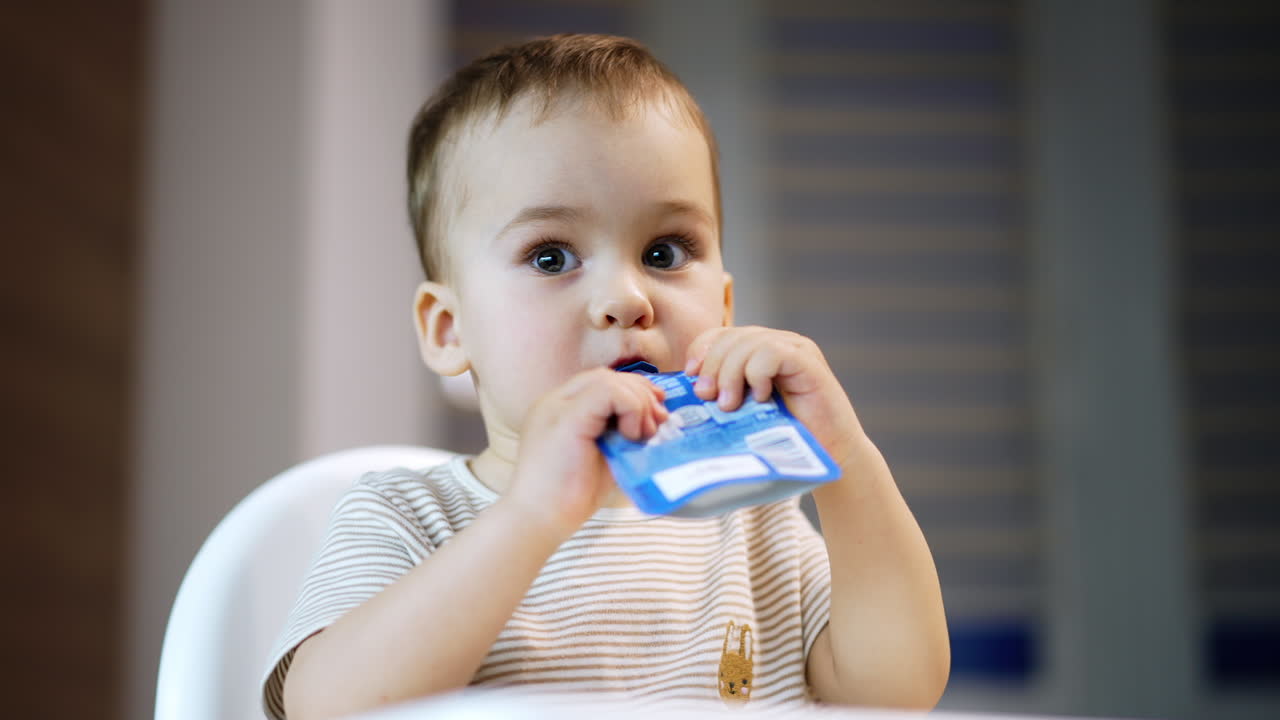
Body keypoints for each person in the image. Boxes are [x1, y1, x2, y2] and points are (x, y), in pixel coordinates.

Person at [262, 33, 949, 720]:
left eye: (664, 251)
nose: (627, 298)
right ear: (450, 330)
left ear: (726, 307)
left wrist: (849, 461)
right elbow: (328, 708)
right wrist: (531, 517)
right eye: (552, 257)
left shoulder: (755, 518)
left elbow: (895, 692)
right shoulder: (409, 519)